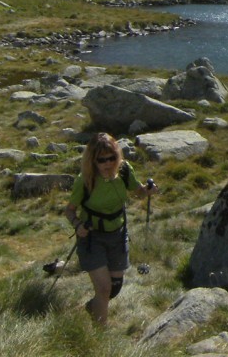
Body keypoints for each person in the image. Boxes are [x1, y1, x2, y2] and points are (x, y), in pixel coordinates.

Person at [64, 132, 158, 325]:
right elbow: (70, 210)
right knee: (104, 289)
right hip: (91, 238)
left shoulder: (124, 171)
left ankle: (93, 307)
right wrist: (78, 225)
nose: (108, 163)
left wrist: (147, 191)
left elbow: (138, 192)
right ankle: (100, 339)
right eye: (102, 160)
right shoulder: (85, 180)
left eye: (112, 157)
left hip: (118, 234)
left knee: (114, 289)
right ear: (93, 160)